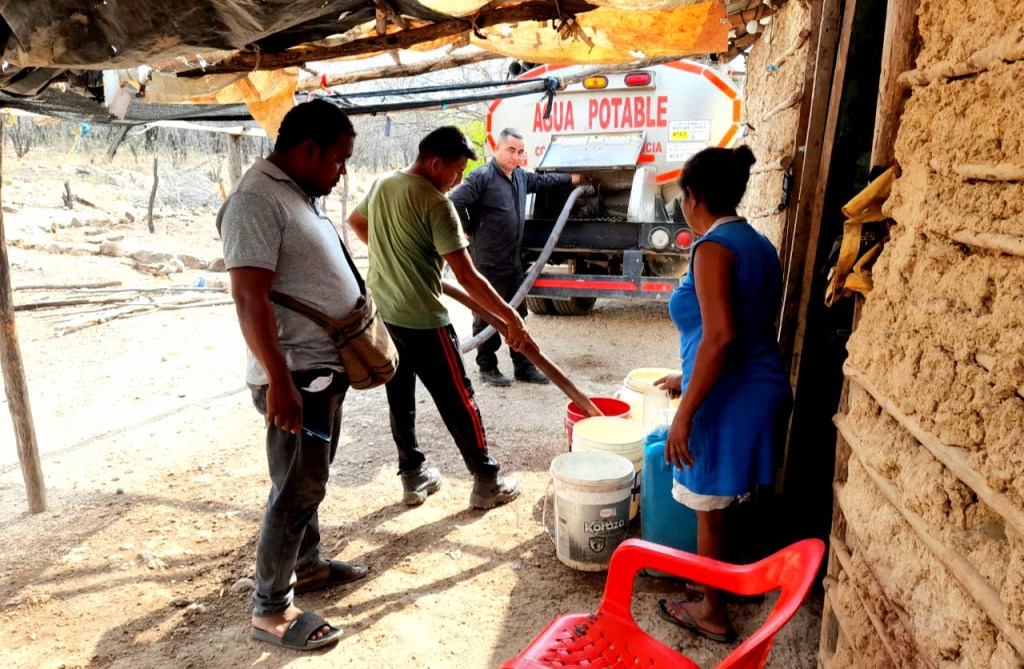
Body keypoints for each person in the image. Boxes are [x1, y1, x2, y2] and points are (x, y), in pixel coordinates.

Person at [217, 99, 368, 652]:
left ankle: (306, 565)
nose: (342, 170)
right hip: (295, 378)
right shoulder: (256, 201)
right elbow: (248, 298)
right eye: (338, 159)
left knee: (309, 477)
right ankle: (271, 610)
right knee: (297, 487)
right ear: (308, 150)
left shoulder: (293, 193)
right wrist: (279, 381)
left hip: (317, 373)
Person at [348, 126, 535, 509]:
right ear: (435, 164)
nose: (458, 181)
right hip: (425, 322)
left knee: (399, 397)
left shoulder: (384, 183)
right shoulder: (437, 204)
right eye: (456, 172)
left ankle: (412, 476)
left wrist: (391, 256)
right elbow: (468, 276)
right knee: (459, 399)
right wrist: (511, 317)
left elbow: (355, 220)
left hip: (386, 316)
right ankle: (487, 481)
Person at [652, 146, 792, 644]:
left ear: (693, 197)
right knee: (726, 499)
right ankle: (727, 583)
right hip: (758, 387)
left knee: (708, 506)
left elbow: (720, 337)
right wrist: (682, 378)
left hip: (726, 397)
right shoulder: (757, 243)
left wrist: (685, 413)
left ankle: (712, 611)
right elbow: (745, 329)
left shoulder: (712, 248)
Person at [449, 127, 581, 387]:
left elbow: (544, 183)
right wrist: (467, 229)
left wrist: (573, 179)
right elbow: (454, 200)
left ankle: (523, 367)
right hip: (487, 261)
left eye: (520, 152)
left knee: (518, 314)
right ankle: (487, 367)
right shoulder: (482, 177)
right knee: (488, 315)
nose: (516, 156)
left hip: (513, 261)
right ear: (496, 149)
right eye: (511, 150)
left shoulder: (520, 177)